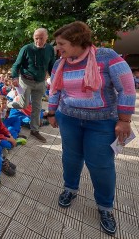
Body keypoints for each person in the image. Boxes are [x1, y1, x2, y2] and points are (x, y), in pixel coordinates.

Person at [48, 21, 135, 235]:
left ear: (77, 41)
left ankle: (105, 207)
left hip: (102, 122)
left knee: (100, 165)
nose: (58, 48)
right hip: (69, 118)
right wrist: (51, 112)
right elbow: (55, 90)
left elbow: (127, 87)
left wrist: (124, 120)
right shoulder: (61, 63)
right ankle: (70, 189)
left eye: (61, 43)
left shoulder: (106, 56)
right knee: (70, 157)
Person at [8, 28, 55, 143]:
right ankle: (7, 105)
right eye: (36, 38)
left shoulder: (50, 49)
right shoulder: (26, 49)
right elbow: (16, 65)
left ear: (47, 38)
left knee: (37, 107)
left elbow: (52, 65)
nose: (38, 41)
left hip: (40, 82)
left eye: (41, 38)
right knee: (24, 105)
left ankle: (34, 130)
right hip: (26, 81)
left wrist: (54, 78)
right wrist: (14, 77)